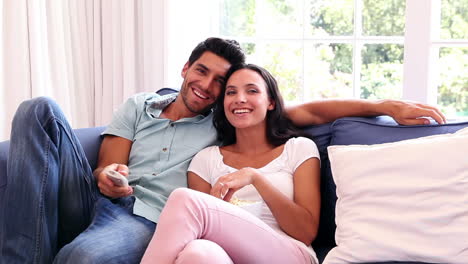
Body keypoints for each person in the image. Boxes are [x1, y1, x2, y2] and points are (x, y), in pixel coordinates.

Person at [0, 37, 445, 264]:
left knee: (83, 257)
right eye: (209, 77)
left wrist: (383, 105)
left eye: (230, 86)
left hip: (157, 220)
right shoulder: (156, 117)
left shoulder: (263, 136)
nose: (217, 91)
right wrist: (109, 177)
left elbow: (310, 113)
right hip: (108, 203)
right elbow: (105, 165)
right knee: (38, 109)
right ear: (185, 69)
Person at [140, 63, 321, 264]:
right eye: (231, 92)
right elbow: (205, 230)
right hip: (229, 255)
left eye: (252, 90)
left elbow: (305, 232)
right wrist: (220, 208)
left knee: (184, 199)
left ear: (270, 102)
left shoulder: (299, 149)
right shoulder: (206, 160)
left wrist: (256, 178)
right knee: (197, 253)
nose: (239, 99)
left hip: (288, 254)